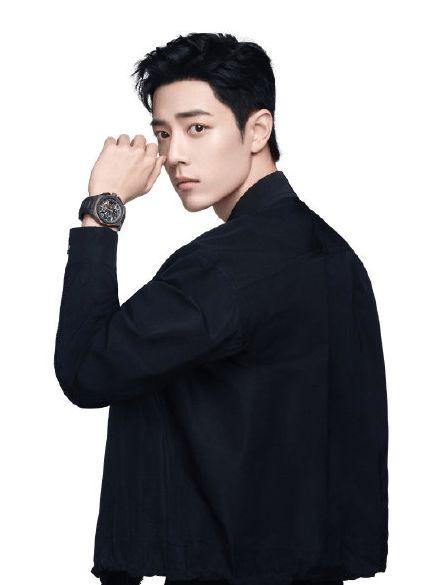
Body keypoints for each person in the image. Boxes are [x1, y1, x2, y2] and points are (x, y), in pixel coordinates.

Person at [54, 33, 388, 585]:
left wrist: (101, 212)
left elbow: (87, 370)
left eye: (197, 128)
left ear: (257, 130)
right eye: (163, 133)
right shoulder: (335, 256)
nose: (173, 155)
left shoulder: (220, 268)